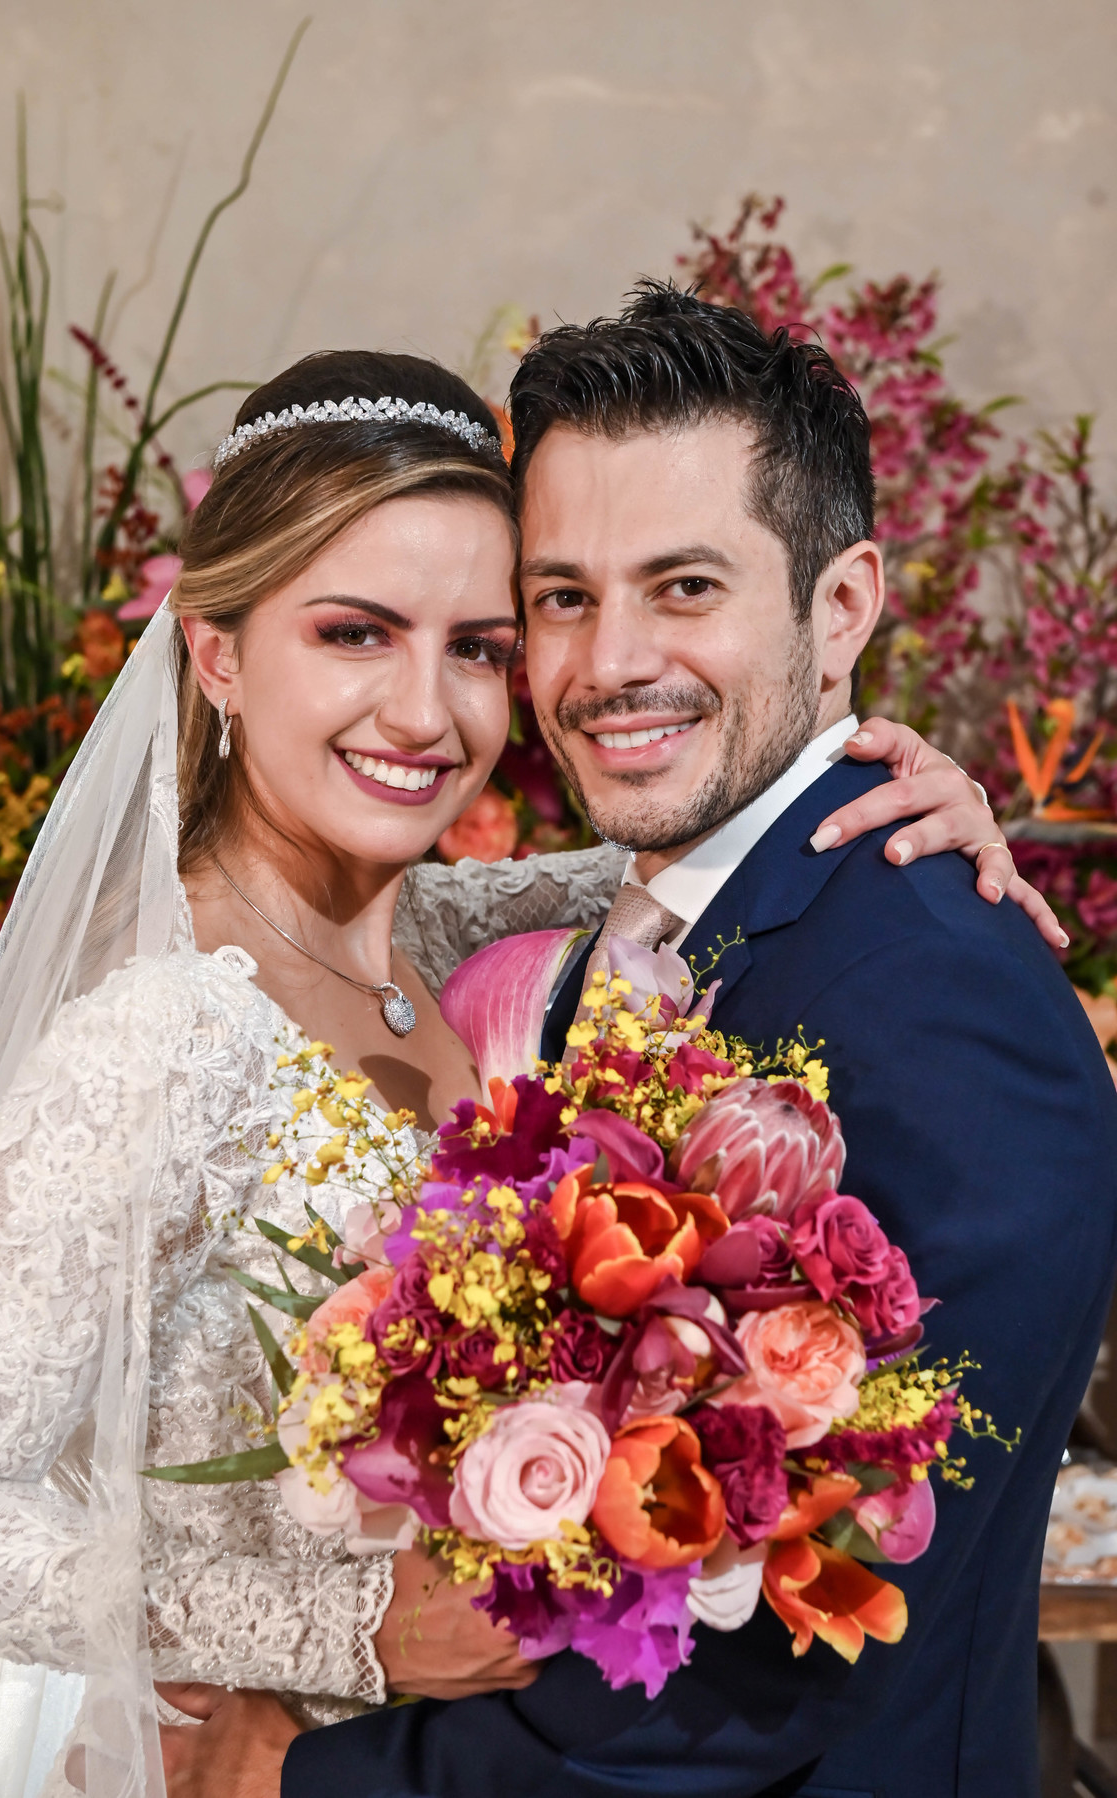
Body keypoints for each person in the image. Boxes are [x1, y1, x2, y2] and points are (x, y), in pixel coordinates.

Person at [0, 341, 1059, 1798]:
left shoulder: (480, 928)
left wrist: (912, 787)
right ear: (216, 654)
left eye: (477, 645)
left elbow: (730, 842)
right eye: (354, 633)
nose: (424, 712)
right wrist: (347, 1622)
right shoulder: (156, 1036)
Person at [209, 289, 1117, 1798]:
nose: (609, 662)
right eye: (561, 597)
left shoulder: (940, 999)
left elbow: (791, 1655)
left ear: (842, 608)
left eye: (684, 586)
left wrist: (302, 1775)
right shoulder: (620, 928)